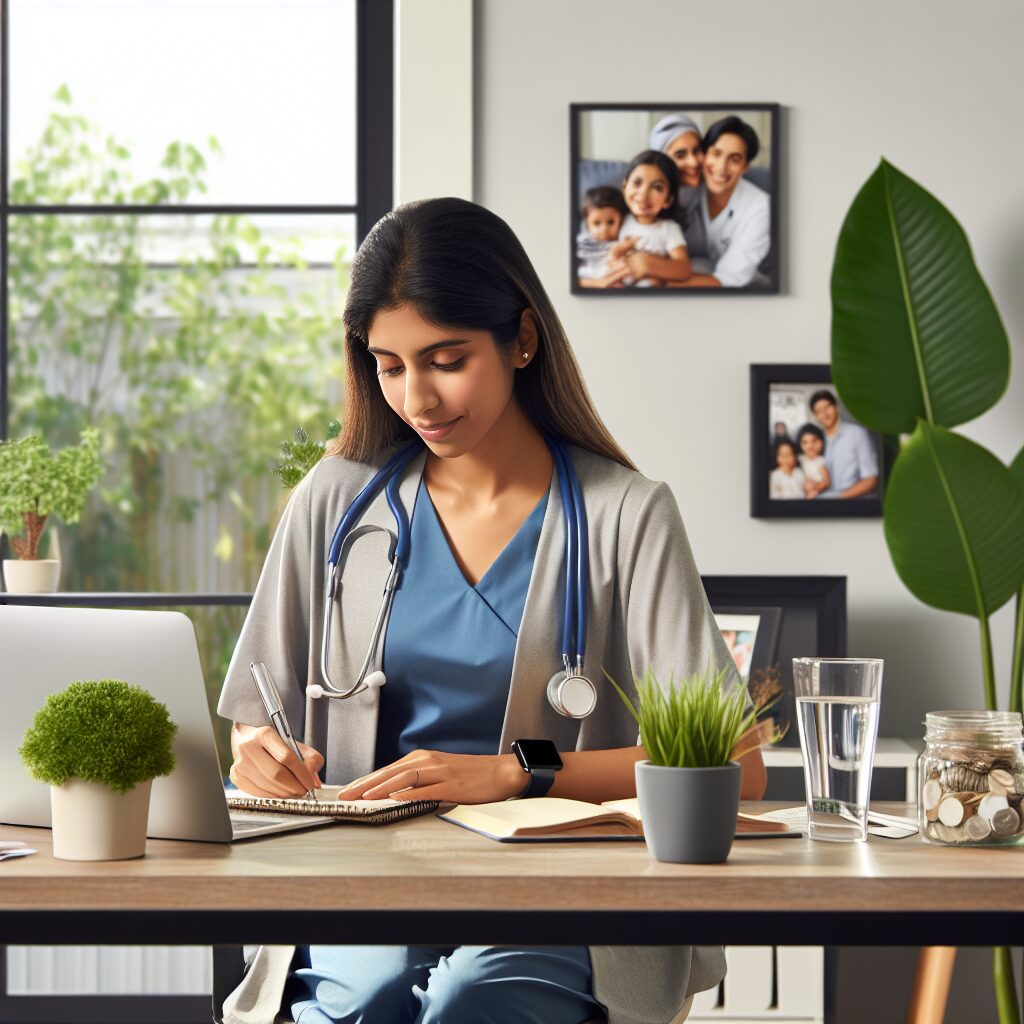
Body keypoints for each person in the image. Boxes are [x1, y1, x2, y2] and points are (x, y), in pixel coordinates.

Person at [217, 197, 765, 1024]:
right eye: (389, 366)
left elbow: (739, 765)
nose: (417, 399)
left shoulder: (625, 514)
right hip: (369, 869)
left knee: (471, 1000)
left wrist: (519, 771)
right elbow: (251, 725)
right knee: (365, 997)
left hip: (564, 885)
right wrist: (261, 756)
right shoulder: (334, 502)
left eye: (446, 360)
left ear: (522, 339)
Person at [673, 116, 770, 289]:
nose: (721, 167)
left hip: (747, 286)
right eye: (716, 154)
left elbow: (730, 278)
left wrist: (662, 285)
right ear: (704, 155)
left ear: (745, 167)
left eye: (734, 159)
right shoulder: (689, 188)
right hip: (699, 270)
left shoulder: (760, 207)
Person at [609, 150, 691, 287]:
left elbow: (684, 269)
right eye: (637, 183)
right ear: (624, 187)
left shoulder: (669, 228)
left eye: (657, 188)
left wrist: (649, 264)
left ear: (668, 200)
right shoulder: (619, 220)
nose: (644, 194)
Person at [808, 390, 879, 499]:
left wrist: (839, 498)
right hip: (823, 505)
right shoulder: (816, 440)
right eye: (818, 411)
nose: (824, 414)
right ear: (815, 416)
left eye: (827, 407)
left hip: (853, 504)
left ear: (836, 407)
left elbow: (871, 480)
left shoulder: (857, 433)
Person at [576, 185, 630, 289]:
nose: (604, 230)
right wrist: (597, 283)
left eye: (611, 222)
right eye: (597, 223)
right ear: (587, 223)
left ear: (622, 219)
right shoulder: (583, 242)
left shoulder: (624, 242)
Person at [795, 423, 830, 499]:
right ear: (800, 445)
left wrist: (816, 487)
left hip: (815, 490)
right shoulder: (800, 459)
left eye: (814, 441)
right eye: (805, 442)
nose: (810, 446)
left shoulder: (820, 461)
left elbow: (826, 482)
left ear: (822, 443)